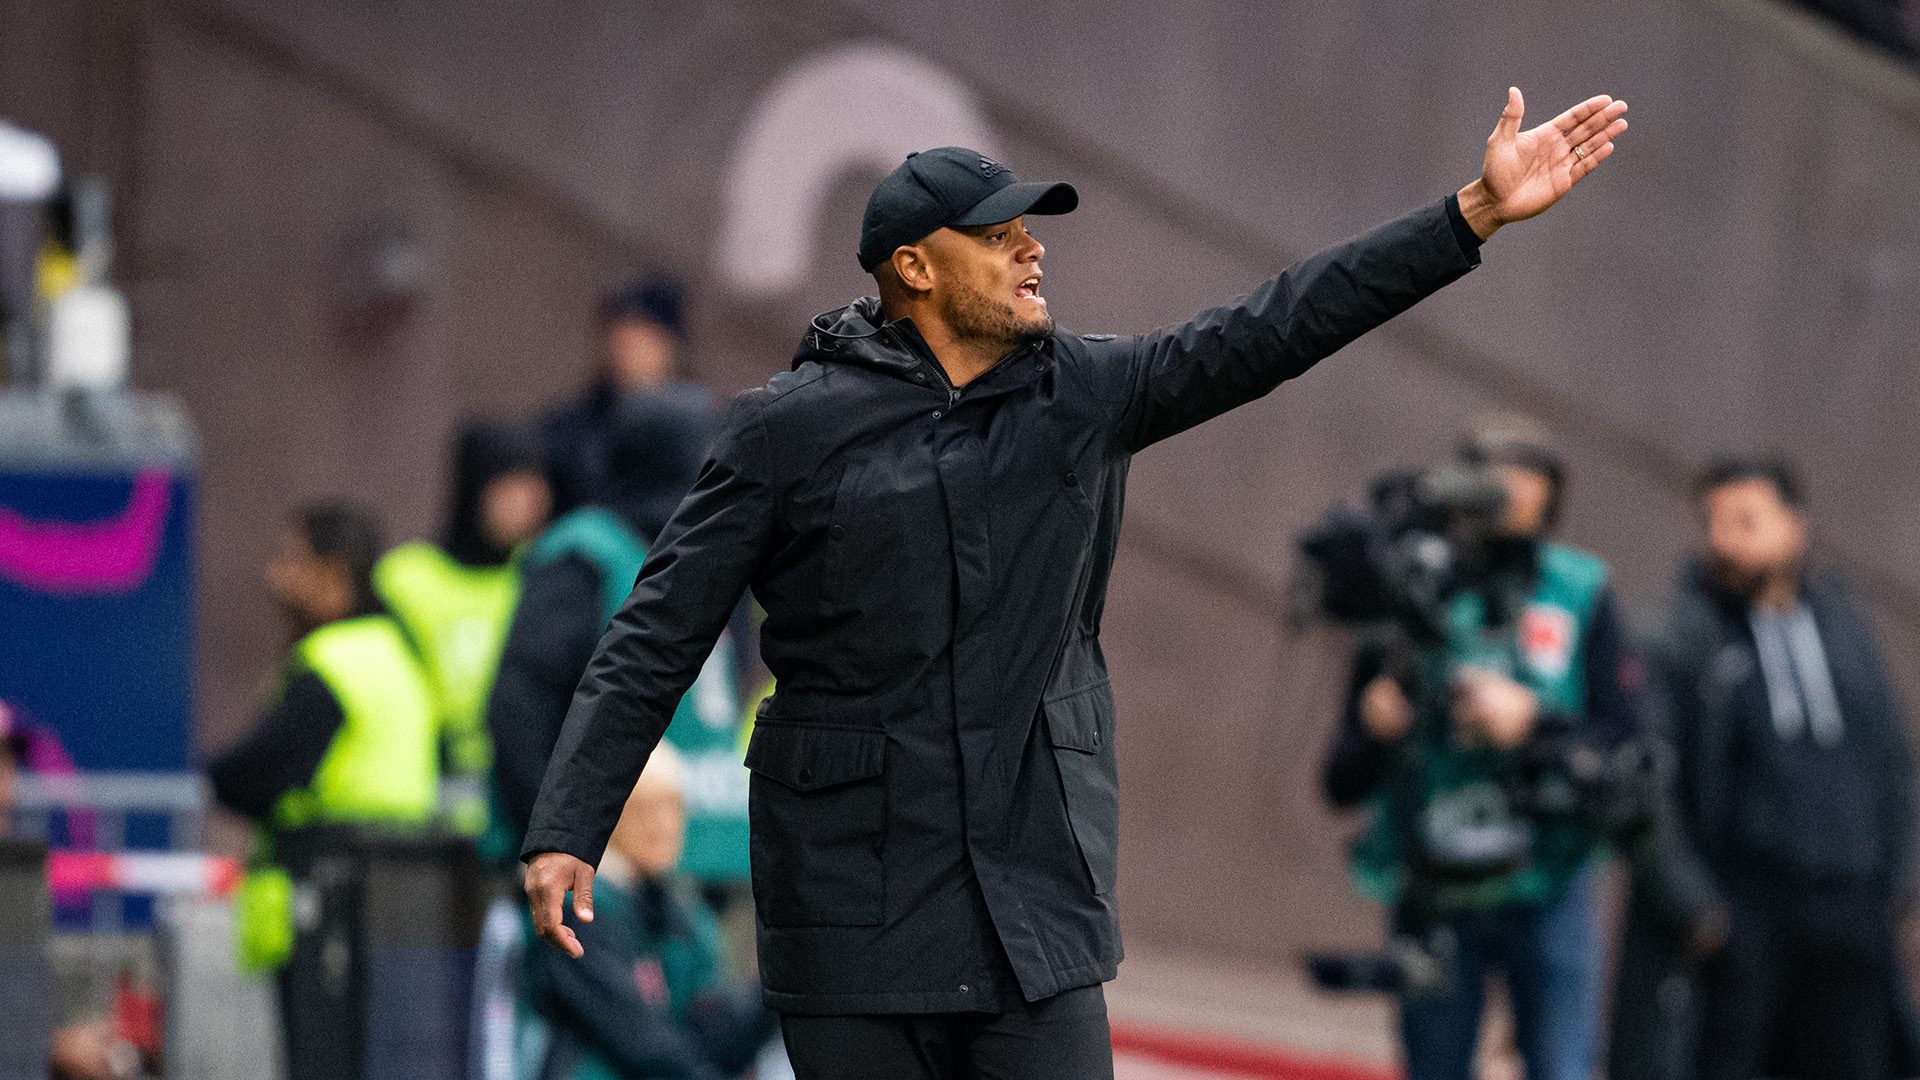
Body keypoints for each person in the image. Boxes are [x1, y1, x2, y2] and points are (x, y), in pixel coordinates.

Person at [521, 89, 1631, 1080]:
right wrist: (573, 818)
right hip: (849, 908)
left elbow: (1283, 322)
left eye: (1030, 234)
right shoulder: (785, 430)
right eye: (998, 236)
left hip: (1030, 905)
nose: (1030, 252)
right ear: (914, 267)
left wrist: (1469, 217)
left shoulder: (1085, 393)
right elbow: (658, 630)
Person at [1319, 416, 1639, 1080]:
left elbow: (1625, 740)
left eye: (1531, 479)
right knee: (1435, 1065)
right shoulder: (1415, 586)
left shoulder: (1580, 591)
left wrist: (1534, 726)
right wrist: (1380, 730)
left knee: (1562, 1063)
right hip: (1434, 876)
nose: (1513, 494)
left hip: (1545, 871)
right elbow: (1341, 781)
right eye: (1498, 476)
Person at [1610, 457, 1920, 1080]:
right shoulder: (1682, 634)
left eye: (1746, 522)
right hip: (1744, 922)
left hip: (1852, 918)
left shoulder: (1843, 626)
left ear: (1794, 529)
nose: (1725, 540)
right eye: (1714, 524)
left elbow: (1894, 763)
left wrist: (1902, 884)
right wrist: (1698, 909)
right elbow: (1644, 782)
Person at [490, 392, 740, 876]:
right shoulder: (586, 557)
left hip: (699, 858)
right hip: (602, 873)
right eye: (708, 457)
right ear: (665, 460)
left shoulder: (705, 555)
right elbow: (520, 706)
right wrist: (551, 841)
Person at [206, 503, 438, 1021]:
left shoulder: (334, 660)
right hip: (396, 891)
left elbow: (261, 771)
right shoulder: (396, 652)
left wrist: (207, 776)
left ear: (333, 576)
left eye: (291, 559)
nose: (274, 576)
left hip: (333, 890)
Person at [516, 741, 774, 1080]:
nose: (662, 825)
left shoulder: (684, 916)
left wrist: (775, 990)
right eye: (645, 808)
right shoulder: (576, 909)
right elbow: (636, 1038)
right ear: (612, 813)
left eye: (673, 807)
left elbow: (712, 1028)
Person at [375, 420, 551, 837]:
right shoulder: (407, 579)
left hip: (520, 805)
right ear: (474, 490)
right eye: (508, 488)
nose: (524, 504)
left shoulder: (545, 577)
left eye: (533, 489)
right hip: (428, 809)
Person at [540, 278, 718, 515]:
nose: (624, 353)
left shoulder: (705, 430)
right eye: (618, 339)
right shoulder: (568, 428)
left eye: (640, 341)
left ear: (671, 348)